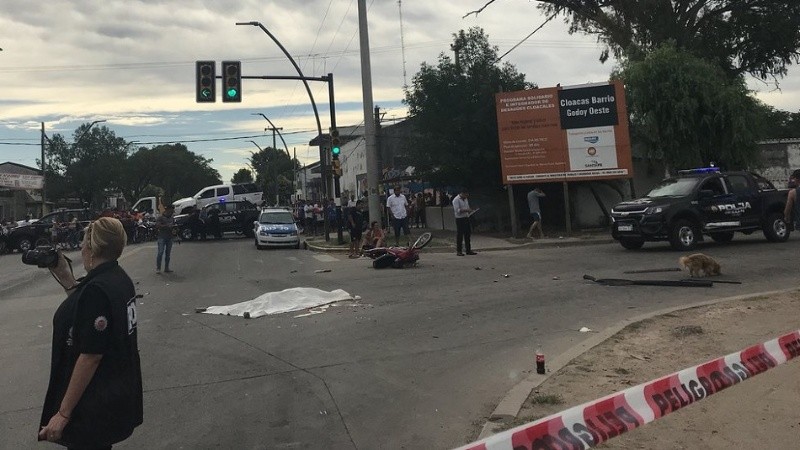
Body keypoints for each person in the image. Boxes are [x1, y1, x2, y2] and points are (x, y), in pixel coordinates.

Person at [39, 217, 143, 448]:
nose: (82, 249)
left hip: (94, 402)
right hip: (114, 393)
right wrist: (66, 277)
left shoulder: (98, 290)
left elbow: (90, 356)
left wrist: (63, 414)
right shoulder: (118, 278)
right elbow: (84, 312)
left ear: (92, 248)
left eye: (84, 244)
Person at [452, 188, 477, 256]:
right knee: (460, 235)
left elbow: (467, 207)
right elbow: (457, 210)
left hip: (466, 217)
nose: (466, 197)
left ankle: (468, 250)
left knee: (467, 234)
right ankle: (459, 251)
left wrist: (470, 211)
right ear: (462, 193)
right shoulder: (456, 200)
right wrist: (466, 210)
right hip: (459, 219)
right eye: (466, 195)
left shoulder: (465, 199)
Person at [156, 204, 175, 273]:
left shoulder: (172, 218)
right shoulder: (161, 217)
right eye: (172, 209)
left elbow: (173, 226)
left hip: (170, 237)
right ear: (168, 210)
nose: (173, 211)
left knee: (168, 254)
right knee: (160, 252)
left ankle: (166, 268)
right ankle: (158, 268)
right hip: (162, 237)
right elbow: (157, 225)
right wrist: (166, 226)